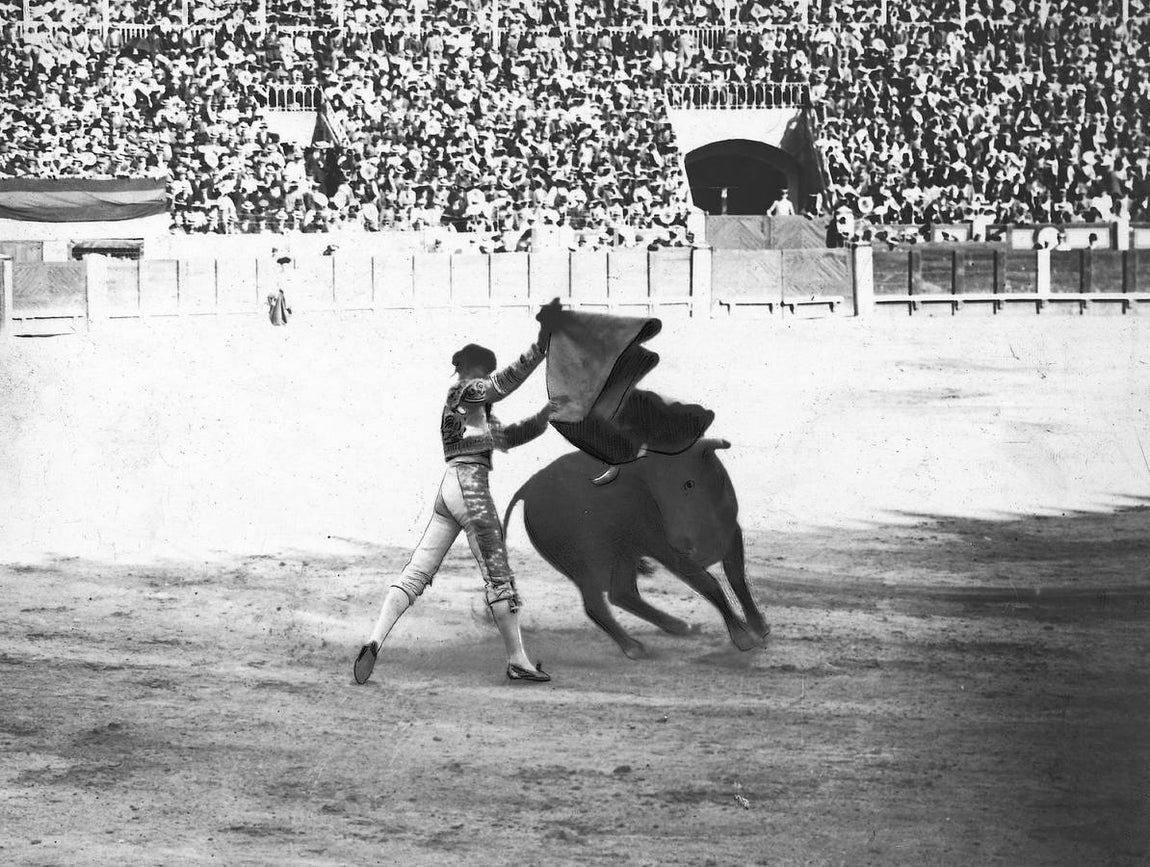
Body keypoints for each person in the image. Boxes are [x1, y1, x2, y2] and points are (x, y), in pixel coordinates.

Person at [354, 300, 565, 685]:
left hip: (447, 491)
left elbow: (507, 437)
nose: (484, 376)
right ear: (472, 368)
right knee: (498, 576)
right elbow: (504, 382)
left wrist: (545, 415)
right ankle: (518, 660)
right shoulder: (467, 390)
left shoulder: (471, 410)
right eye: (482, 369)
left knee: (417, 571)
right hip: (470, 489)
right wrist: (541, 344)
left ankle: (374, 639)